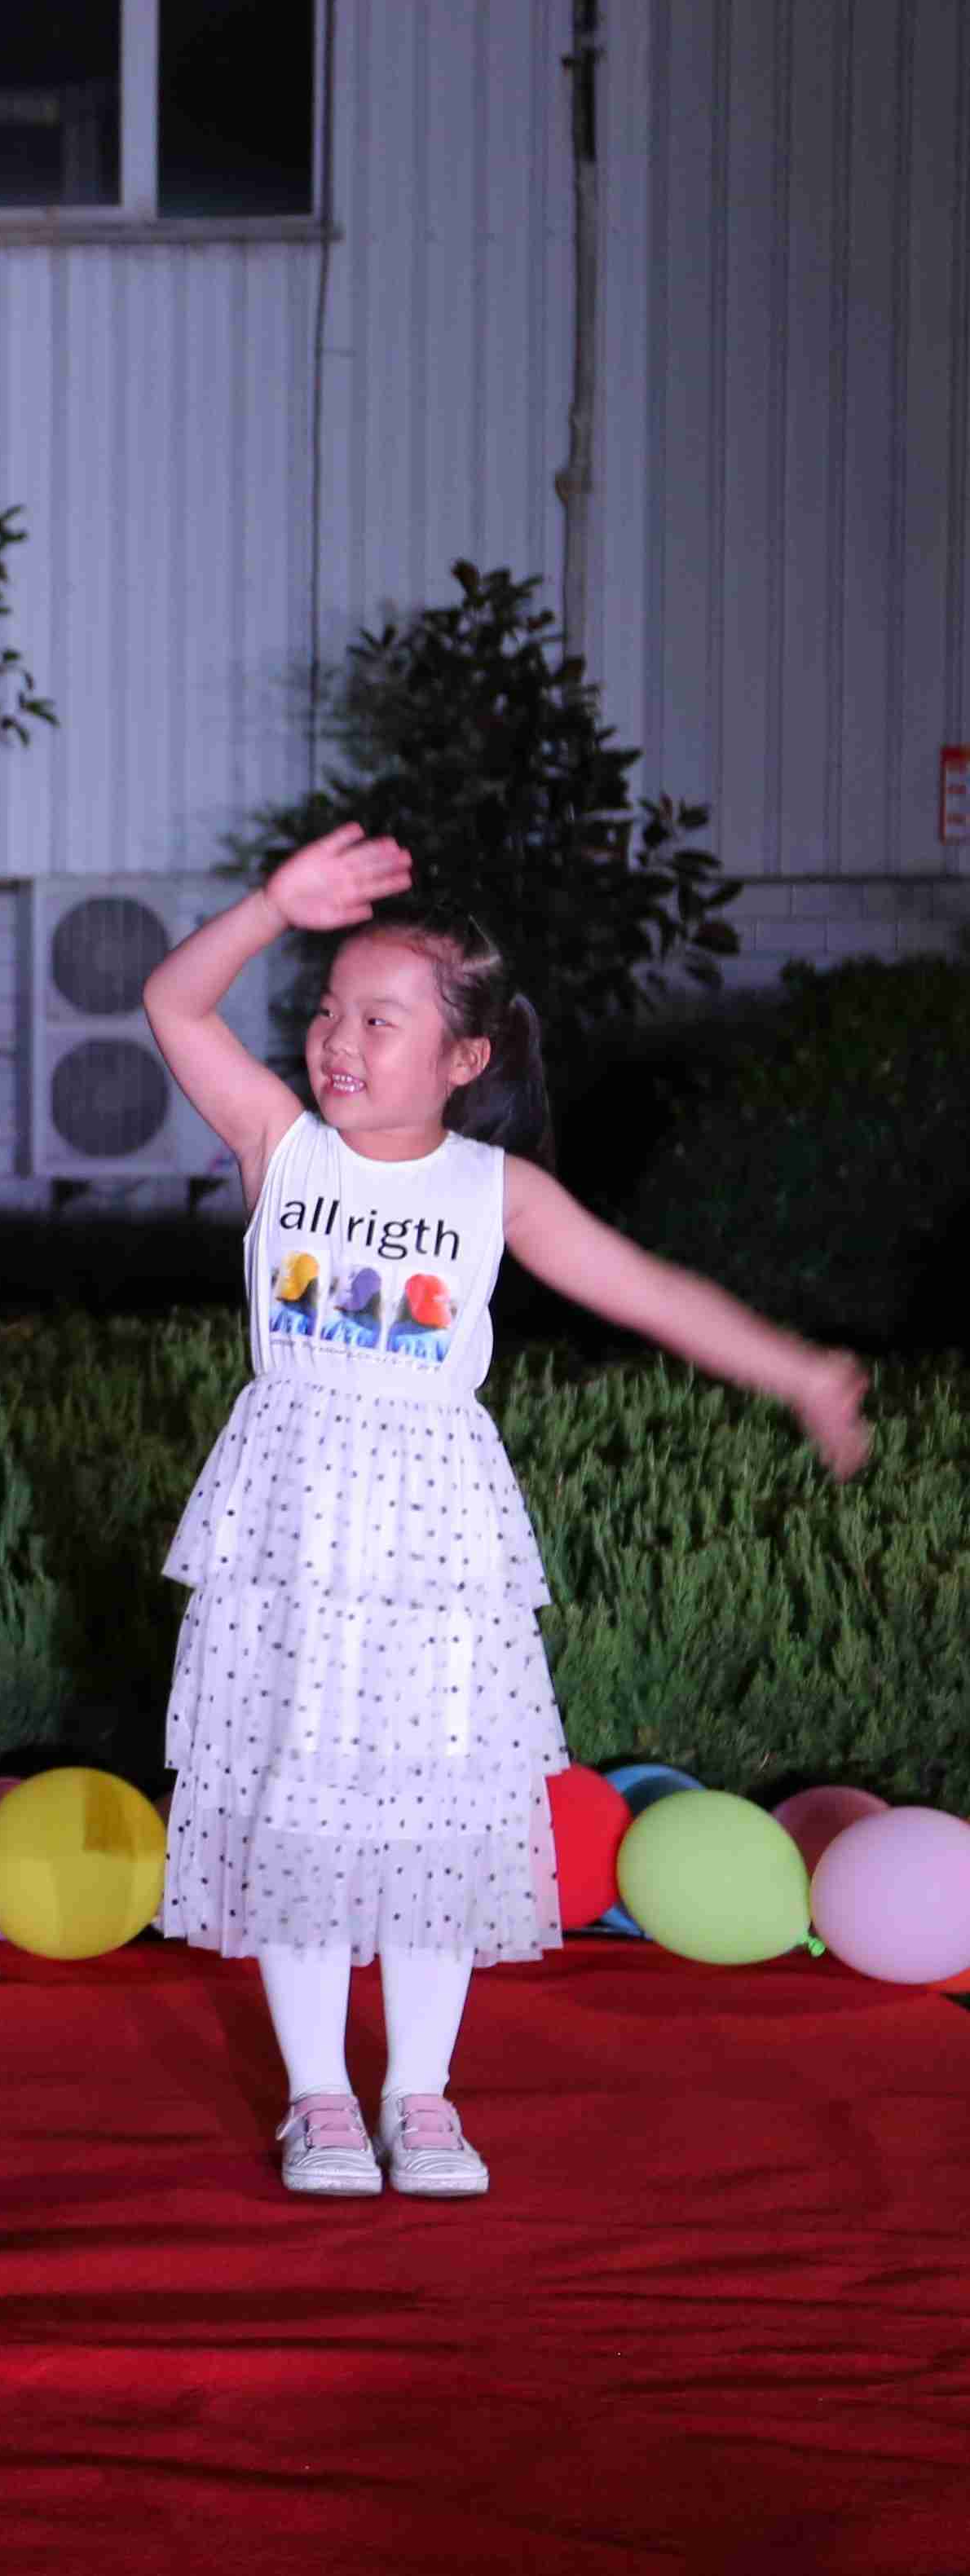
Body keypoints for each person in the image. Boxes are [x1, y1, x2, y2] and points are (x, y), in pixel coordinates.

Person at [140, 825, 870, 2200]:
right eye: (328, 1010)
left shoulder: (493, 1192)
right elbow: (174, 1004)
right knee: (298, 1806)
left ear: (463, 1057)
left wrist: (799, 1373)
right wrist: (270, 906)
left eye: (380, 1019)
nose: (336, 1039)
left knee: (431, 1815)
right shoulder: (280, 1150)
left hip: (431, 1558)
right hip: (295, 1543)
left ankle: (418, 2095)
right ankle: (317, 2100)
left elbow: (649, 1292)